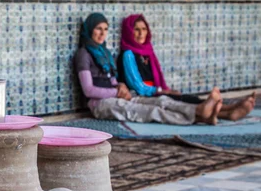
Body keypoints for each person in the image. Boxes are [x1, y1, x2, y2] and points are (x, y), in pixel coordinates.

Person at [75, 13, 223, 125]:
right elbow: (89, 90)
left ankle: (203, 115)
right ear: (90, 30)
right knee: (150, 112)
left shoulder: (104, 52)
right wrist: (117, 92)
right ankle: (199, 114)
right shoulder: (84, 54)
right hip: (100, 104)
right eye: (98, 29)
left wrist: (120, 86)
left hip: (117, 96)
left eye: (105, 29)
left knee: (162, 101)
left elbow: (111, 79)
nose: (102, 34)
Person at [118, 14, 255, 121]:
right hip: (141, 95)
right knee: (176, 103)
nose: (141, 33)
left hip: (154, 92)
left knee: (185, 98)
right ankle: (228, 111)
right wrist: (163, 90)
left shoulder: (148, 52)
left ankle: (230, 109)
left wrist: (165, 90)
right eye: (136, 30)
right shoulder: (128, 54)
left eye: (143, 29)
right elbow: (137, 86)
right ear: (129, 31)